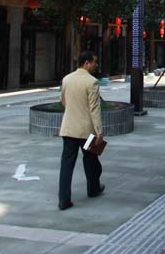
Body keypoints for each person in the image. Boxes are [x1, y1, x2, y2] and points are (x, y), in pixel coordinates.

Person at [58, 51, 105, 211]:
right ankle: (93, 188)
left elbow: (63, 101)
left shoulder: (67, 79)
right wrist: (99, 131)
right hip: (86, 131)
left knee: (67, 165)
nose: (96, 65)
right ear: (86, 63)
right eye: (94, 62)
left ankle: (63, 200)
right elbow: (94, 109)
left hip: (68, 128)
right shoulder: (92, 82)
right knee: (91, 160)